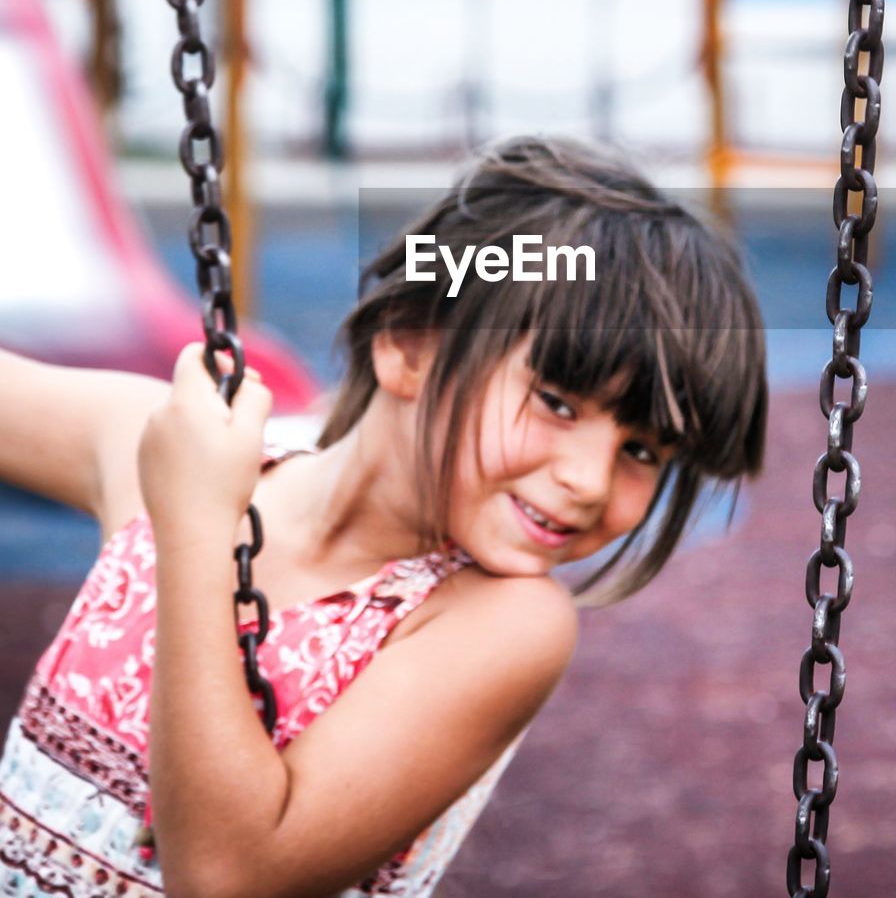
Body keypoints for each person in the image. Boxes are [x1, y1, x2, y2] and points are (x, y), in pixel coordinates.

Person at [0, 134, 767, 898]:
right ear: (409, 345)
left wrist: (197, 525)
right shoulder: (171, 451)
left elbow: (227, 876)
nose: (590, 480)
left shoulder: (503, 623)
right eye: (557, 402)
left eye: (644, 452)